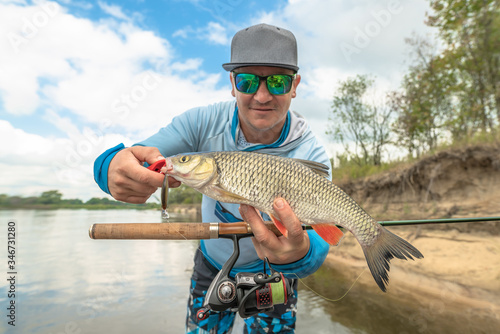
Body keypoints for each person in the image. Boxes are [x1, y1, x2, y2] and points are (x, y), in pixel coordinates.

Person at [94, 23, 331, 334]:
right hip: (211, 265)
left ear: (295, 84)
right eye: (247, 81)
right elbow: (139, 156)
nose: (261, 95)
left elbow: (323, 237)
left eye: (277, 81)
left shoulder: (311, 152)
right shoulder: (201, 122)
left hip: (278, 274)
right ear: (232, 83)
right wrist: (110, 166)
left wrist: (300, 255)